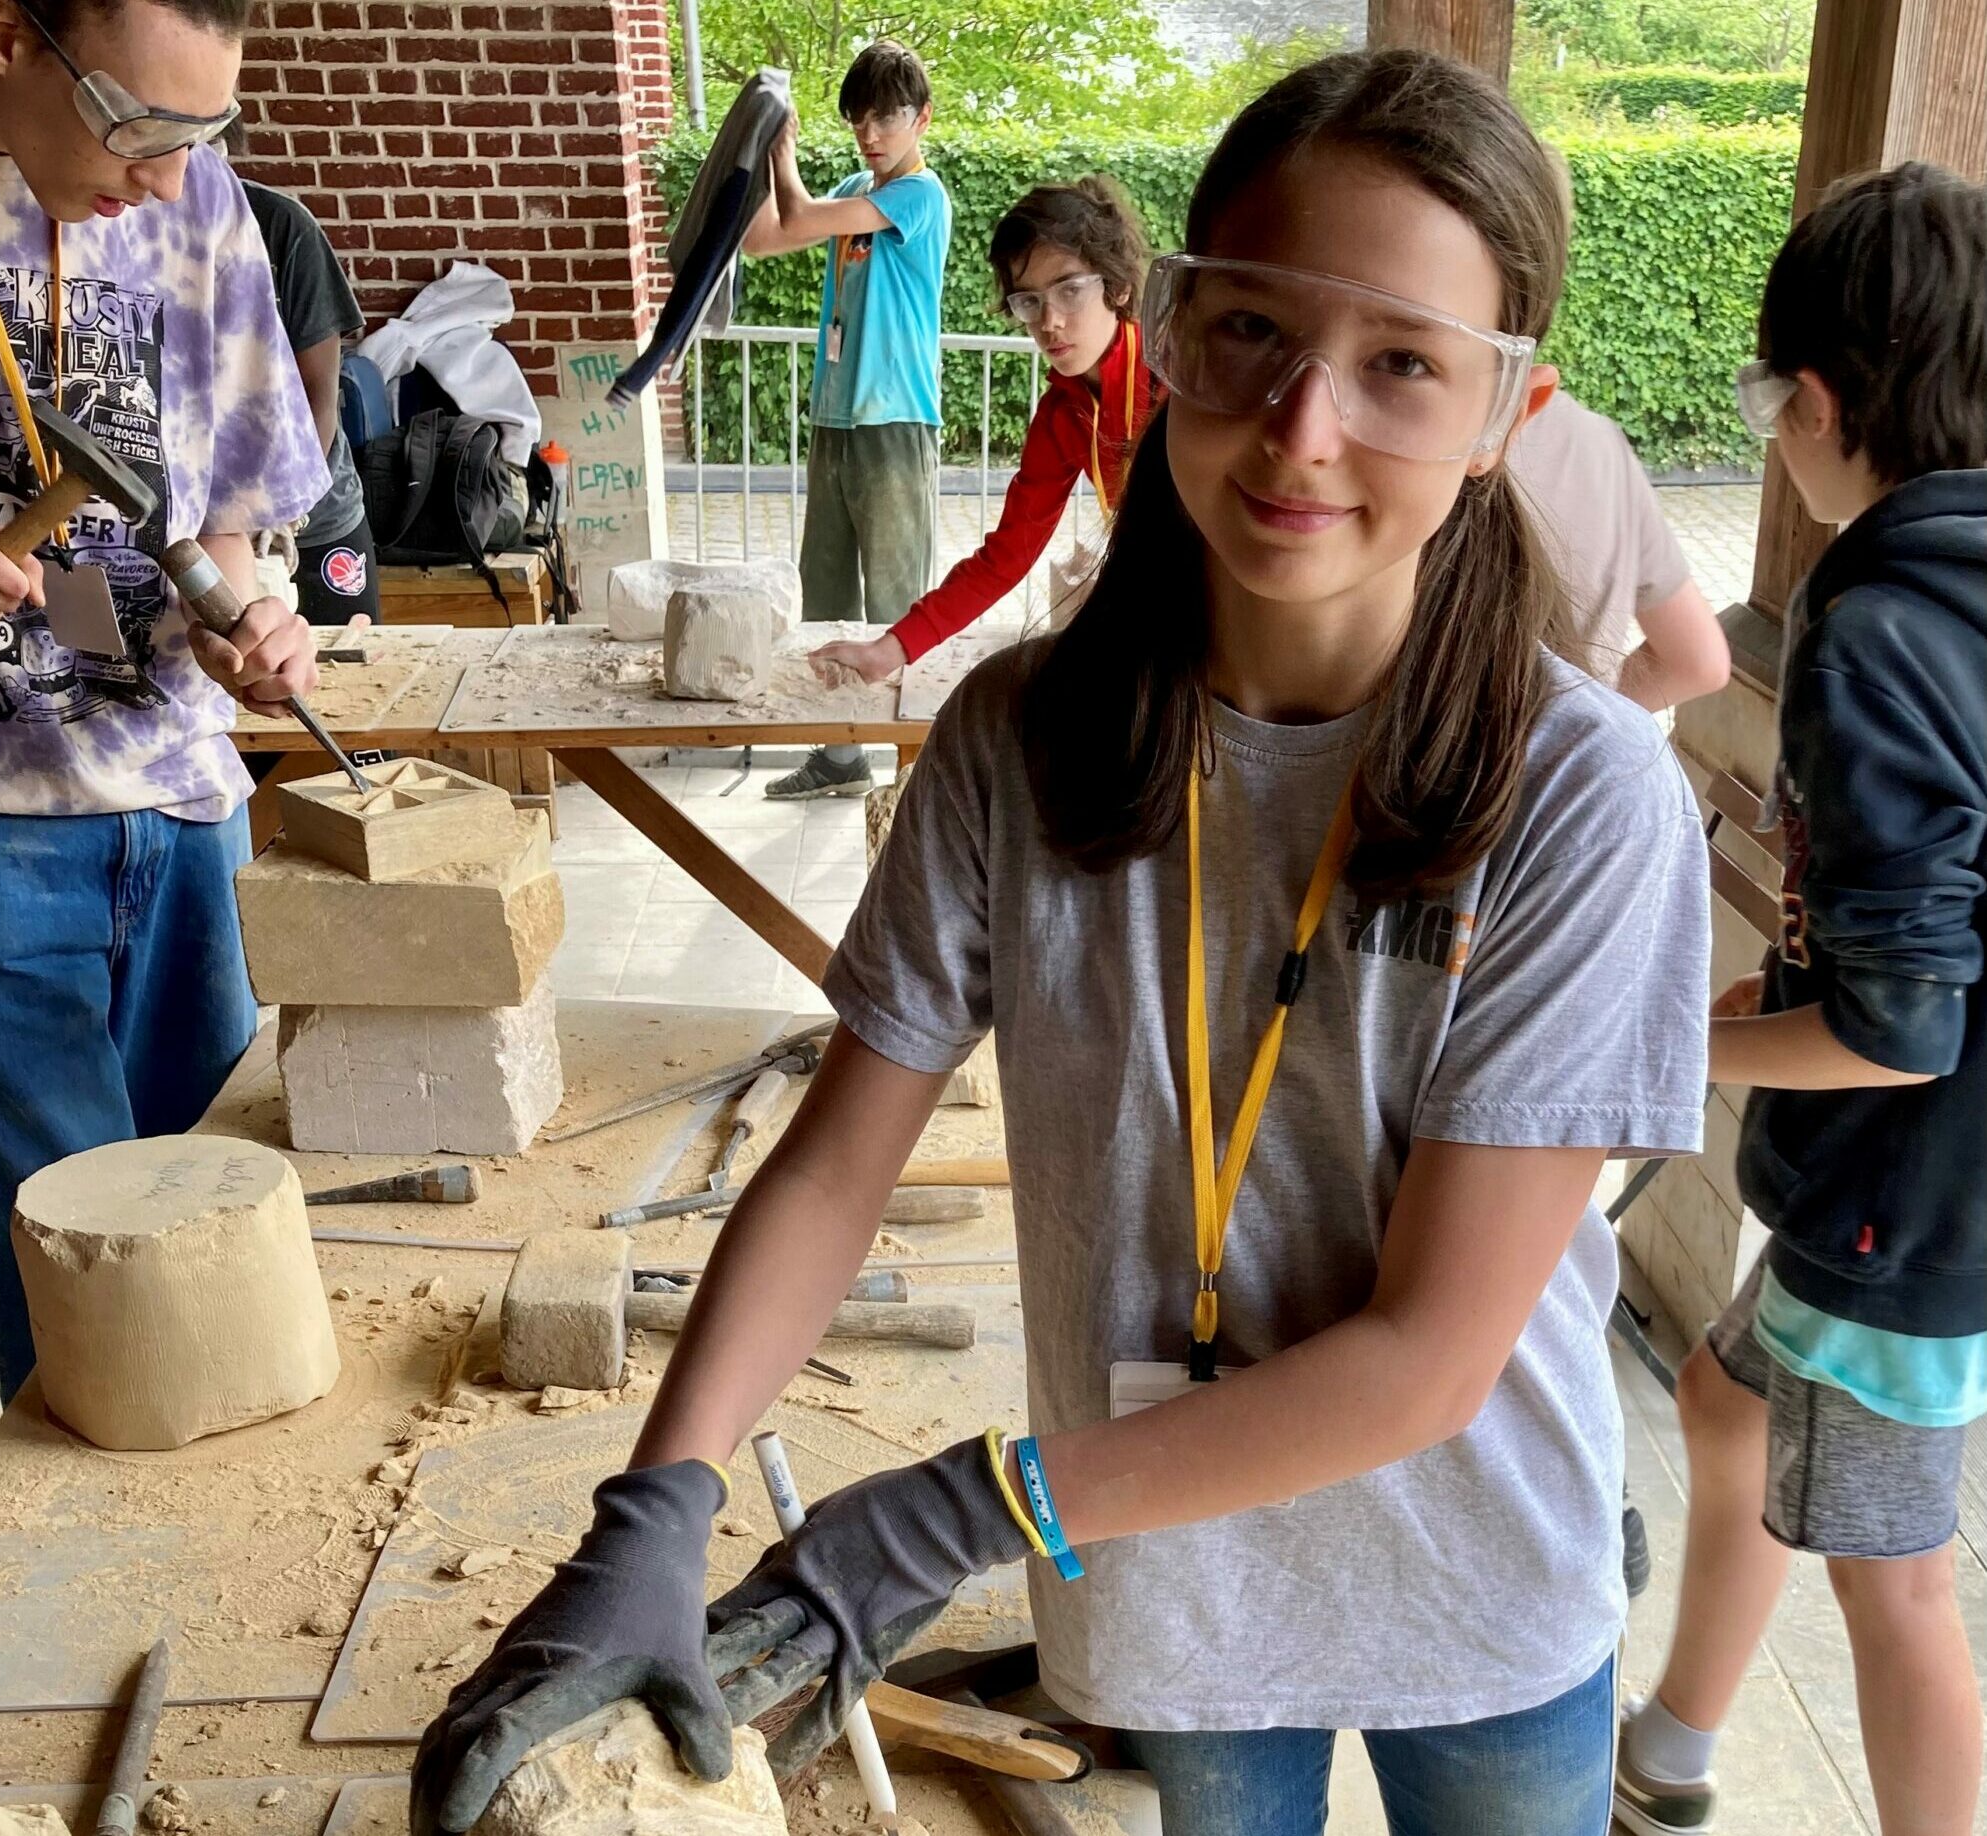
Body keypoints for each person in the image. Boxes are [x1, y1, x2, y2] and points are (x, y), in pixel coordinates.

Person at [414, 49, 1713, 1836]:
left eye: (1403, 364)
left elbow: (1432, 1354)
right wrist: (656, 1503)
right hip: (1161, 1576)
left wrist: (953, 1515)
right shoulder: (1022, 744)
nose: (1302, 427)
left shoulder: (1576, 797)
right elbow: (830, 1171)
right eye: (1251, 330)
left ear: (1507, 413)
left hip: (1472, 1586)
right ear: (1173, 332)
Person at [1615, 162, 1986, 1836]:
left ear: (1821, 404)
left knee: (1892, 1581)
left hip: (1901, 1210)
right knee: (1722, 1397)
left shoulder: (1882, 632)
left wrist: (1661, 1037)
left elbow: (1900, 1032)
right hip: (1933, 1182)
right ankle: (1674, 1746)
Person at [0, 0, 329, 1396]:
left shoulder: (195, 193)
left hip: (179, 801)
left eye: (203, 132)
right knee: (87, 1310)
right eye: (138, 127)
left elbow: (224, 512)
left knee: (221, 1259)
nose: (167, 175)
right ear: (8, 34)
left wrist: (244, 622)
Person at [811, 178, 1158, 685]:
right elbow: (1005, 558)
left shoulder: (1176, 377)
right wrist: (893, 648)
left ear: (1118, 286)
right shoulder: (1062, 414)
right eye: (1029, 301)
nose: (1050, 322)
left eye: (1069, 290)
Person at [739, 38, 950, 800]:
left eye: (887, 116)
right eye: (860, 117)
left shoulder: (918, 197)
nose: (871, 131)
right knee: (825, 595)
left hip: (895, 424)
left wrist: (779, 145)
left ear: (920, 118)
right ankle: (837, 756)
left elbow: (795, 208)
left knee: (895, 605)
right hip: (835, 421)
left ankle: (914, 776)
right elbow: (766, 236)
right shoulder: (856, 186)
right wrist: (759, 148)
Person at [1510, 384, 1731, 712]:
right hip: (1570, 755)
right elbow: (1700, 661)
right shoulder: (1595, 440)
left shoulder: (1426, 446)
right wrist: (1592, 721)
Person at [233, 153, 380, 626]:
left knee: (351, 664)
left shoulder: (280, 228)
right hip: (210, 526)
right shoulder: (139, 230)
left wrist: (283, 509)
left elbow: (319, 399)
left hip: (310, 518)